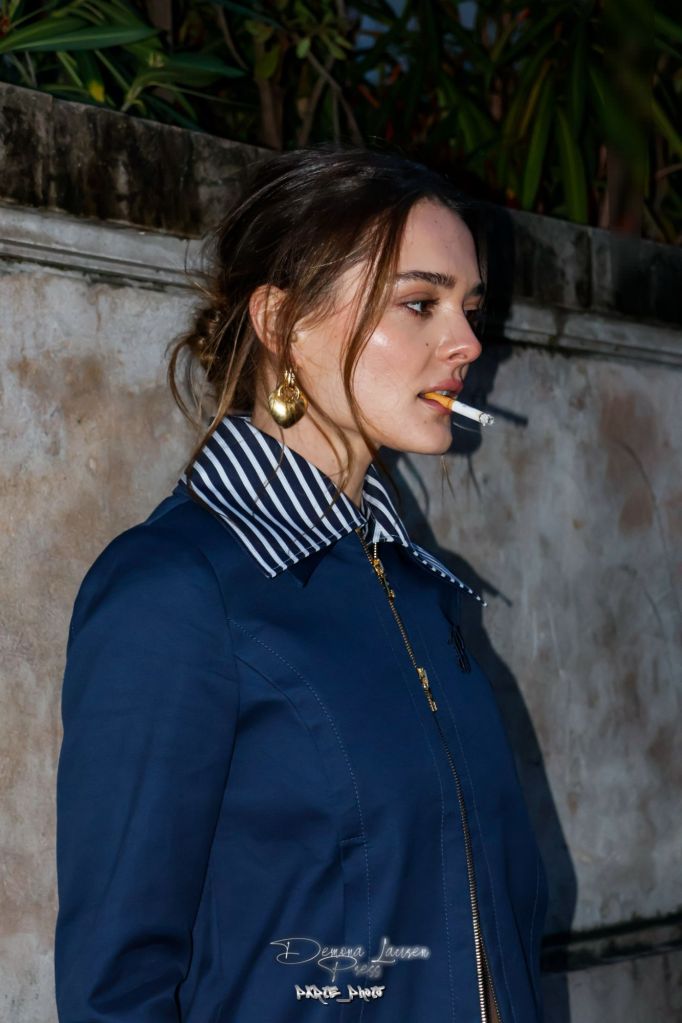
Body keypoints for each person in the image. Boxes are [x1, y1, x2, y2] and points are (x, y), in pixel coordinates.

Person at [54, 142, 548, 1022]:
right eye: (421, 303)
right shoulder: (176, 591)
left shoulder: (420, 591)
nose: (468, 343)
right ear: (283, 322)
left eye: (470, 309)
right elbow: (116, 987)